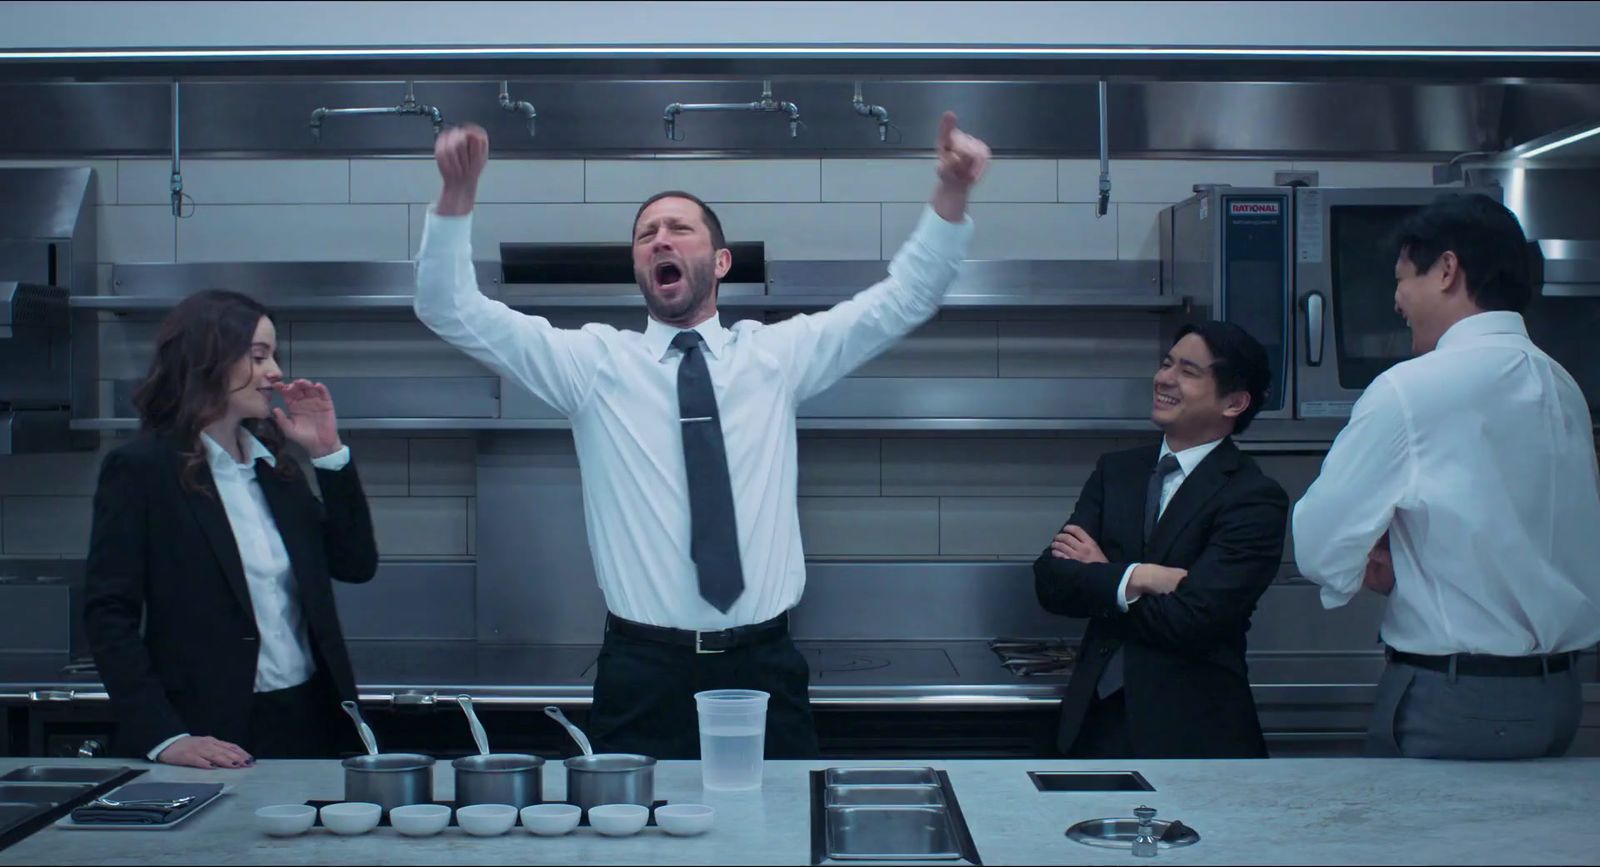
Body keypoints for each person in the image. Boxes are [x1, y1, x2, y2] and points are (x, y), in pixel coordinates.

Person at [416, 114, 990, 758]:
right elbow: (448, 307)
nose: (660, 239)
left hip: (762, 666)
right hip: (642, 672)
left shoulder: (774, 357)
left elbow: (905, 297)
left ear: (720, 261)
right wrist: (456, 196)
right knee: (634, 848)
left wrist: (952, 194)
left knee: (778, 842)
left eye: (678, 228)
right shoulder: (593, 366)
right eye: (645, 235)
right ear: (637, 265)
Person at [1293, 193, 1600, 760]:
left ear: (1447, 270)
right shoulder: (1562, 385)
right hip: (1559, 696)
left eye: (1402, 279)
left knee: (1429, 850)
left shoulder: (1412, 389)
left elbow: (1319, 542)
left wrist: (1370, 567)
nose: (1396, 301)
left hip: (1457, 696)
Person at [83, 289, 378, 767]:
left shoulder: (275, 469)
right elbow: (108, 614)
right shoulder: (141, 469)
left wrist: (328, 454)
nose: (276, 371)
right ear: (207, 360)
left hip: (310, 718)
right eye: (259, 356)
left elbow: (355, 564)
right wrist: (165, 737)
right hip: (207, 730)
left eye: (274, 356)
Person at [1033, 321, 1288, 758]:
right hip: (1093, 725)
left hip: (1194, 734)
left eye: (1188, 371)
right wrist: (1144, 577)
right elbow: (1052, 580)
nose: (1164, 378)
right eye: (1167, 363)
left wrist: (1103, 574)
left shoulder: (1254, 497)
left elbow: (1194, 618)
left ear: (1234, 402)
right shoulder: (1117, 472)